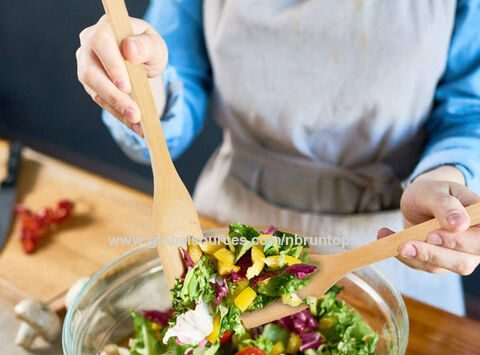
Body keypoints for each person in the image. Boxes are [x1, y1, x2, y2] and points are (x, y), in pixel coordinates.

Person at [76, 0, 480, 315]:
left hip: (394, 243)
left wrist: (441, 179)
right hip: (230, 226)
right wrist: (140, 85)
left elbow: (469, 108)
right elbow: (175, 75)